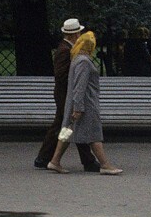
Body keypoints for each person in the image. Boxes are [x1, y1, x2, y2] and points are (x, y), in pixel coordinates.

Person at [48, 31, 122, 174]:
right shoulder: (84, 61)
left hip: (75, 102)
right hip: (85, 103)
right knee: (94, 133)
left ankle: (55, 161)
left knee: (67, 132)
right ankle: (105, 165)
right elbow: (80, 87)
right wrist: (79, 107)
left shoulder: (76, 58)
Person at [34, 18, 100, 172]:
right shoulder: (64, 50)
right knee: (66, 125)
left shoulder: (68, 48)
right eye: (78, 32)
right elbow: (61, 74)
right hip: (65, 94)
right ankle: (47, 158)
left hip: (66, 93)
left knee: (68, 125)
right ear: (74, 35)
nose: (80, 35)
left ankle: (48, 157)